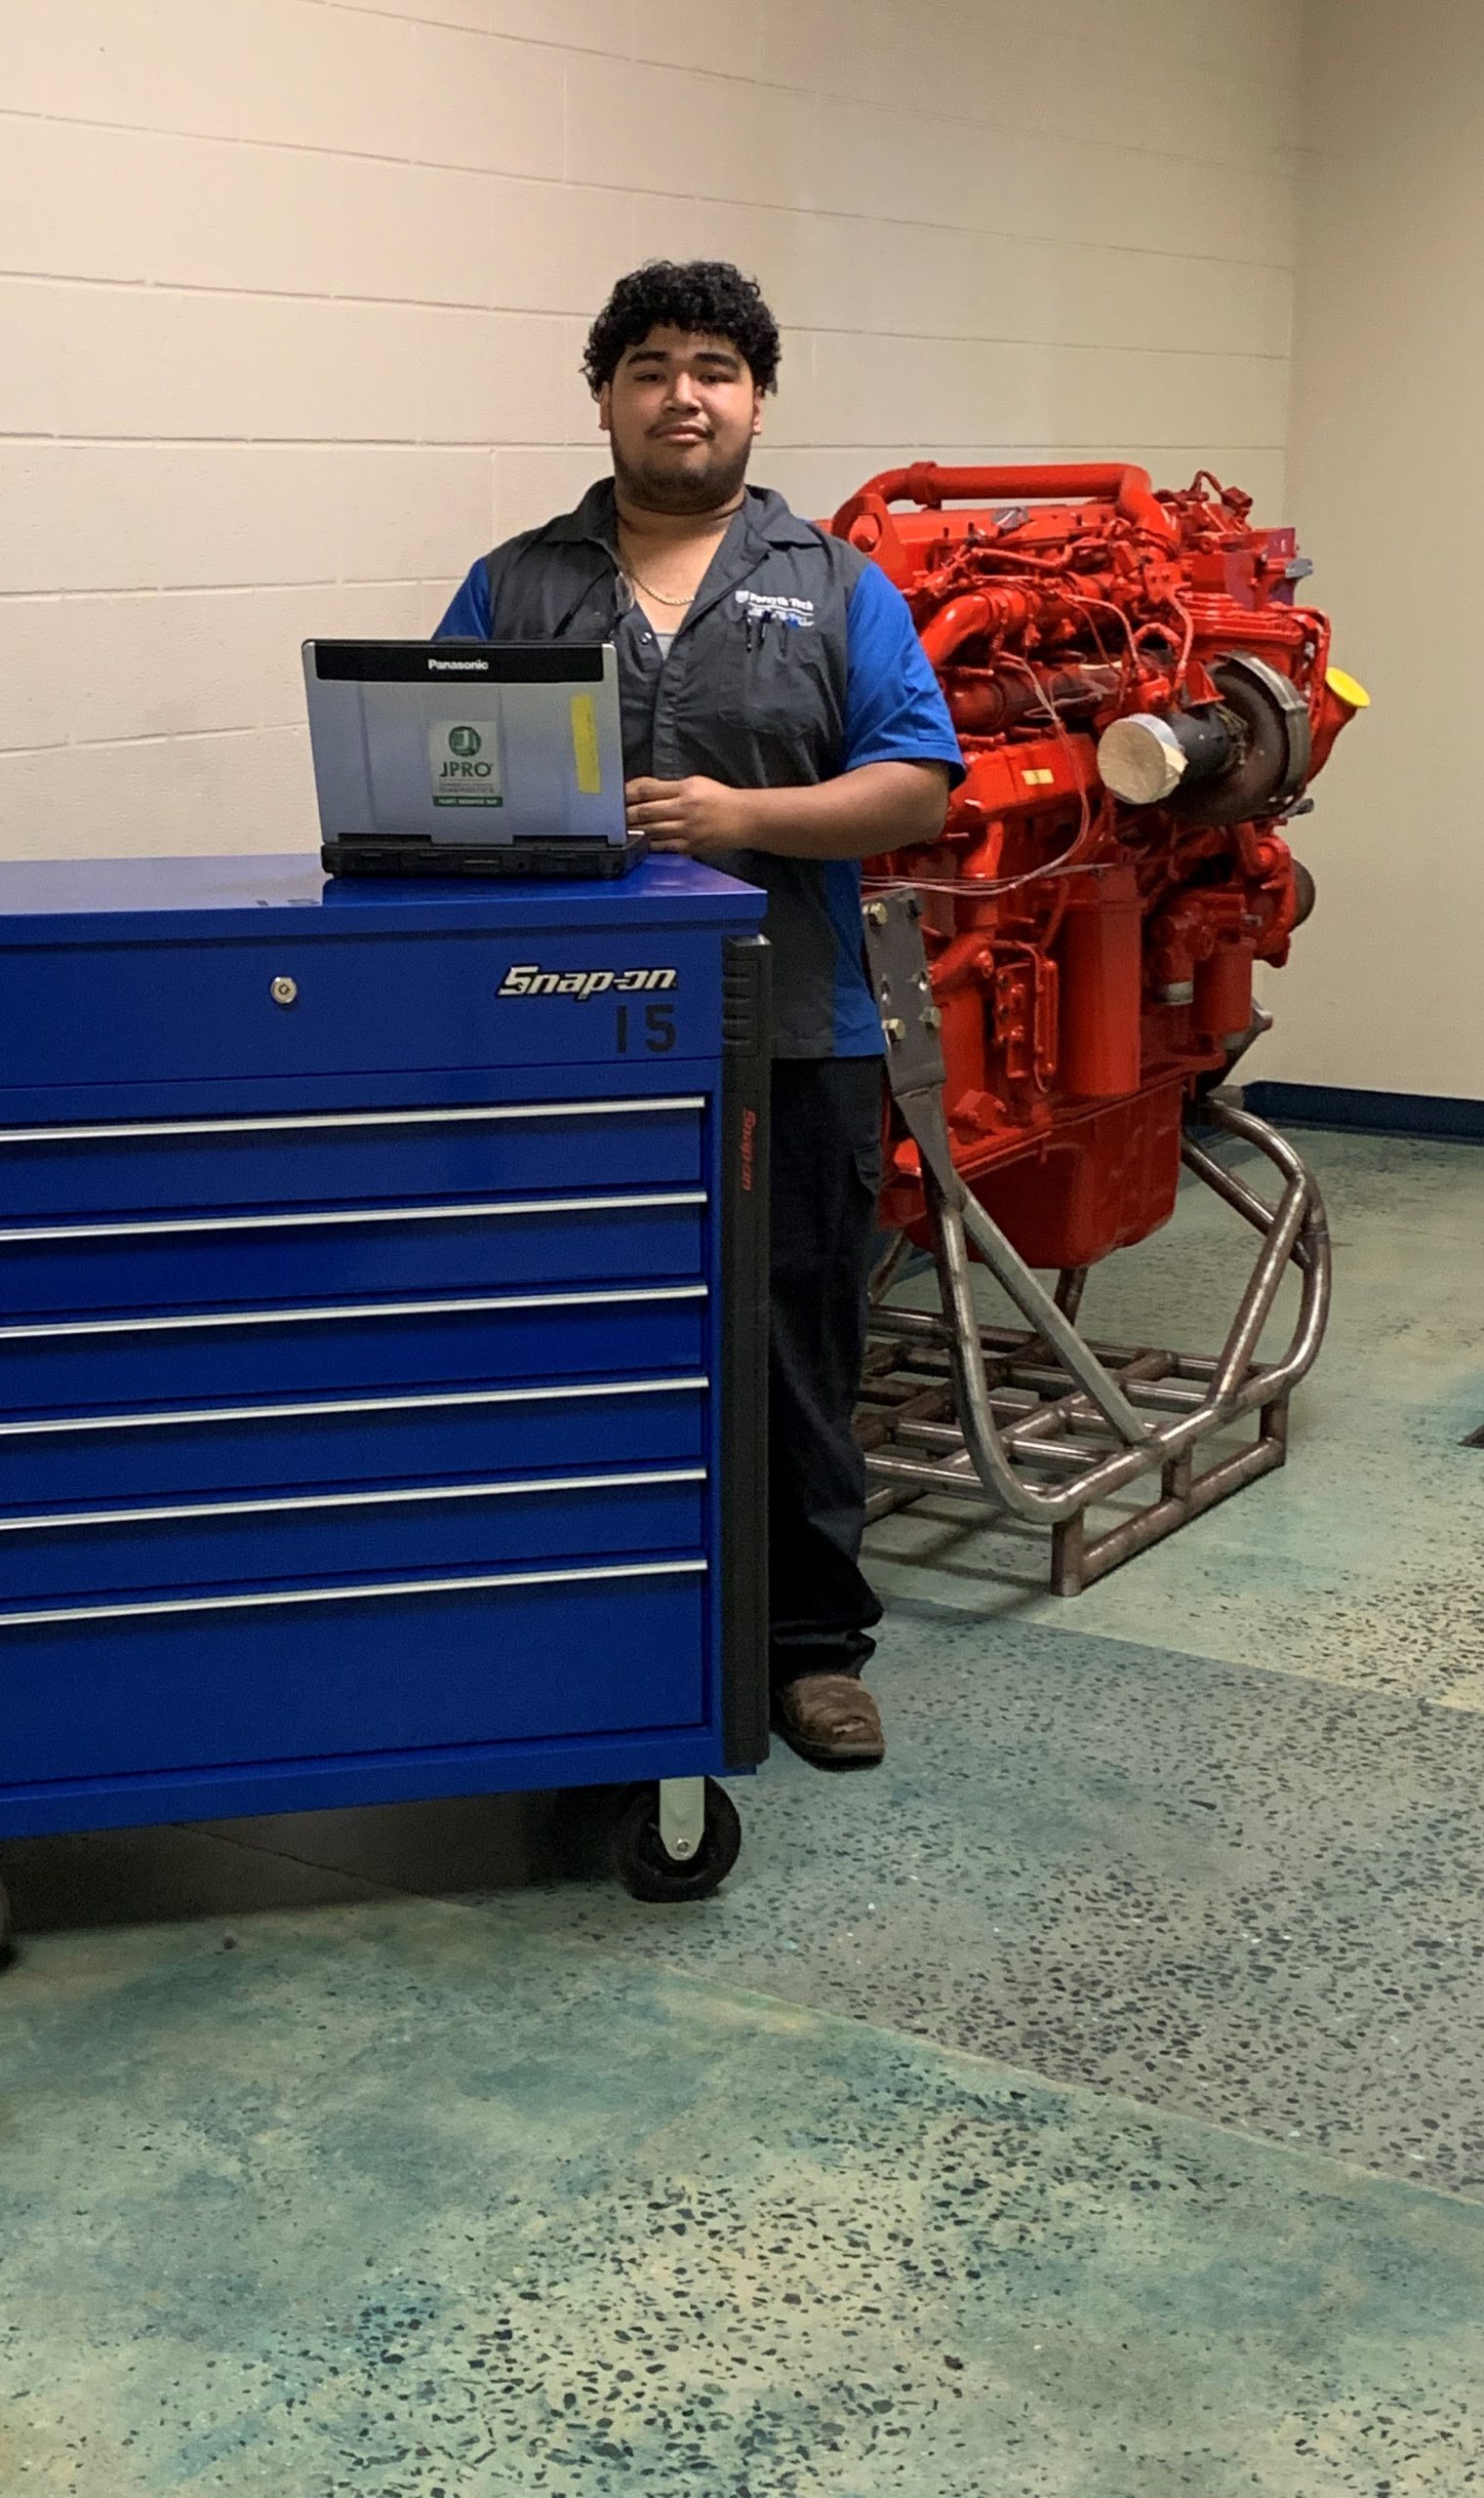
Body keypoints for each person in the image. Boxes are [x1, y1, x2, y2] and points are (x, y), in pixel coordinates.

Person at [436, 260, 963, 1767]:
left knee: (797, 1340)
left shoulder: (836, 585)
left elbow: (914, 784)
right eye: (653, 365)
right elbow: (432, 775)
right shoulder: (515, 583)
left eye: (717, 368)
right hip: (558, 1043)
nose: (685, 393)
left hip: (789, 1033)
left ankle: (809, 1648)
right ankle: (579, 1623)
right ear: (604, 395)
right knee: (574, 1333)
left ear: (756, 399)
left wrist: (741, 813)